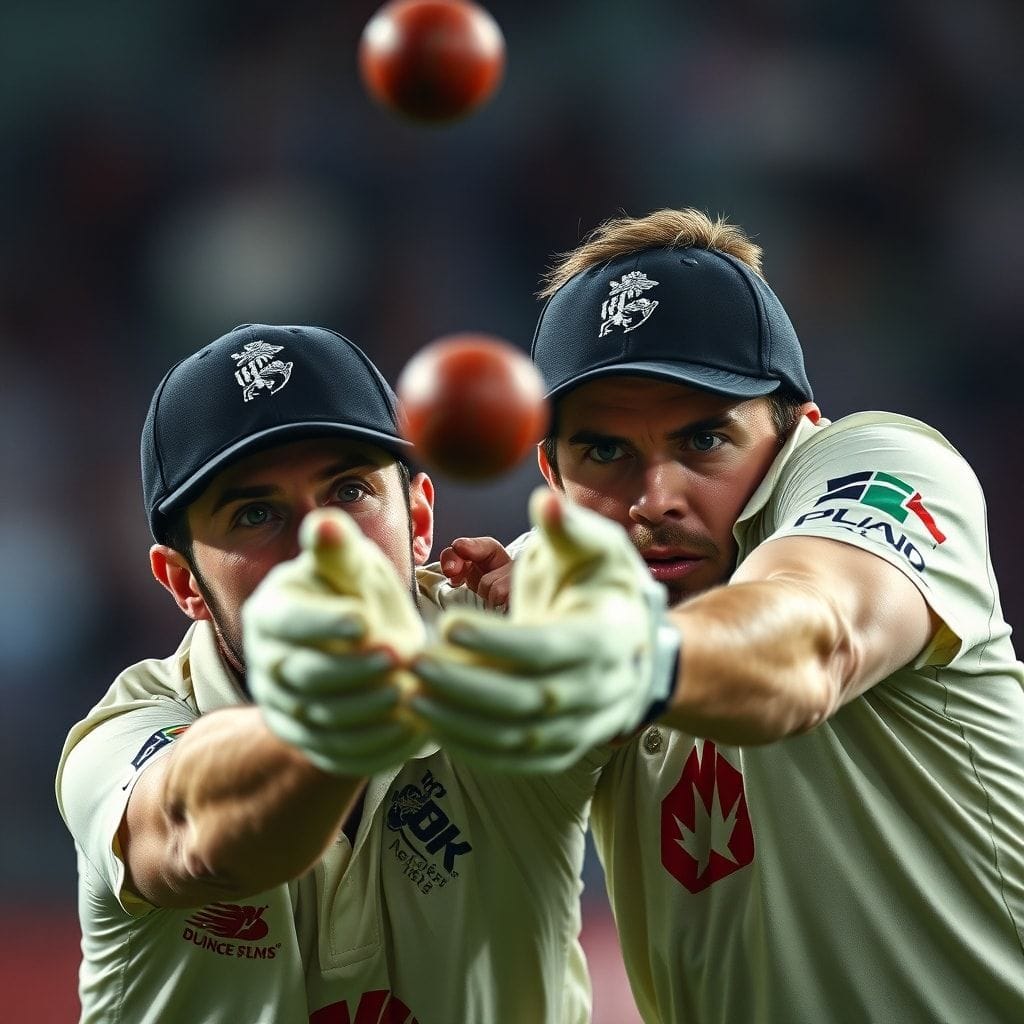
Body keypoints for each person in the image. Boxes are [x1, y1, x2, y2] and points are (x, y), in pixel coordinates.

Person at [413, 209, 1024, 1023]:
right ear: (549, 474)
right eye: (604, 452)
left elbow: (814, 641)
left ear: (791, 427)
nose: (655, 499)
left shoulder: (881, 470)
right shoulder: (552, 587)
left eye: (704, 439)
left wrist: (614, 649)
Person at [56, 323, 602, 1024]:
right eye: (256, 512)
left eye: (348, 490)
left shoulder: (515, 636)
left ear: (420, 516)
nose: (321, 542)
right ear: (183, 581)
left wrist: (597, 614)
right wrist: (356, 707)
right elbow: (188, 831)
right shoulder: (123, 735)